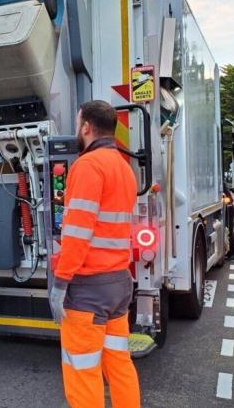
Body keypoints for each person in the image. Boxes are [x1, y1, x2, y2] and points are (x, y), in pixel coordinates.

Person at [49, 100, 141, 408]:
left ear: (87, 127)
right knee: (119, 363)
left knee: (82, 368)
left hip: (88, 288)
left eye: (78, 124)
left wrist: (60, 284)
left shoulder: (87, 166)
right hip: (118, 283)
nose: (77, 129)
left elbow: (77, 233)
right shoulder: (123, 167)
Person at [223, 181, 234, 261]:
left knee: (229, 232)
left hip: (229, 211)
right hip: (227, 211)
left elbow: (230, 199)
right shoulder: (222, 183)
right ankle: (230, 252)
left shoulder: (221, 184)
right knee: (228, 232)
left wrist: (223, 201)